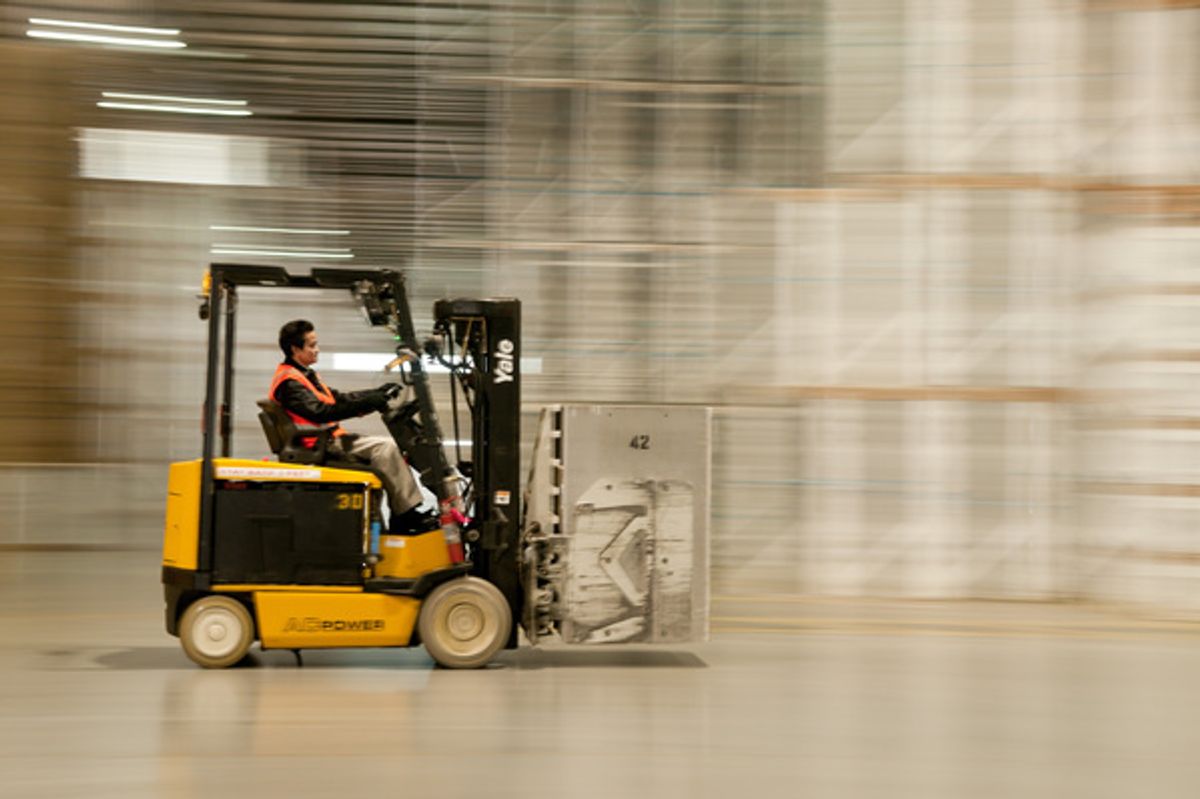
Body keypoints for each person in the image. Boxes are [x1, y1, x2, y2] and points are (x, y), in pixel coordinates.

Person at [270, 319, 435, 534]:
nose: (317, 350)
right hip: (319, 444)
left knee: (386, 448)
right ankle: (405, 515)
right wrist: (368, 403)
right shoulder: (290, 383)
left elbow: (338, 398)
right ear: (294, 348)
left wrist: (376, 393)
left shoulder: (303, 375)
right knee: (386, 448)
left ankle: (403, 511)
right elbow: (321, 412)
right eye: (311, 345)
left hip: (327, 439)